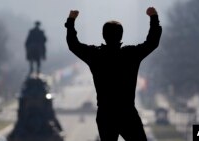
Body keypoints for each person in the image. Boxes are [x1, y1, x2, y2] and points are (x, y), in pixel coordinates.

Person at [65, 7, 162, 141]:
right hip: (127, 113)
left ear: (104, 35)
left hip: (106, 113)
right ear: (121, 35)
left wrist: (71, 21)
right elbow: (152, 42)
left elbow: (73, 44)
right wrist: (153, 17)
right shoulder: (130, 55)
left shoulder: (96, 55)